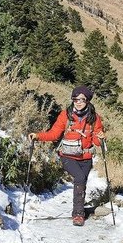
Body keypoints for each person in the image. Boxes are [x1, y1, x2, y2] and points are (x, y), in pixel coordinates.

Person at [29, 86, 105, 227]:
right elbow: (54, 134)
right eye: (75, 99)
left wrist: (100, 137)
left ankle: (78, 209)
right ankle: (78, 215)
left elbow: (96, 141)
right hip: (67, 156)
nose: (78, 102)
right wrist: (38, 136)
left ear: (88, 100)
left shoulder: (94, 118)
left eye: (82, 99)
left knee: (81, 184)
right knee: (80, 178)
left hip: (86, 158)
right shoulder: (66, 115)